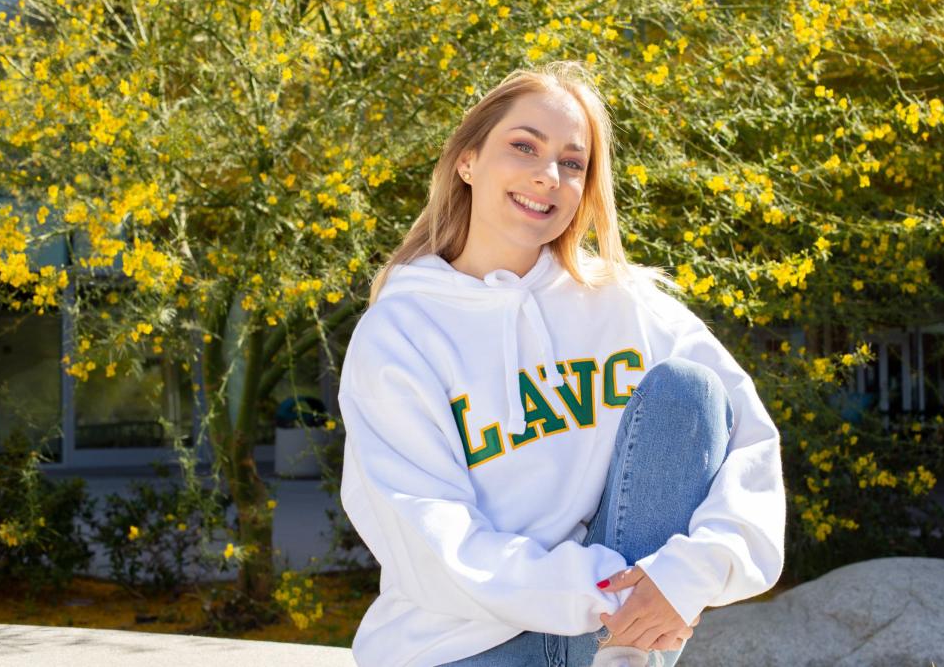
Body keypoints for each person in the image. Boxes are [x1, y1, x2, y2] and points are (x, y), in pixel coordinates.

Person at [337, 61, 786, 667]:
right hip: (462, 646)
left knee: (690, 392)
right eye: (524, 147)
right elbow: (427, 537)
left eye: (572, 163)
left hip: (607, 639)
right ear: (467, 161)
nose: (547, 176)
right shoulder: (402, 330)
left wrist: (689, 576)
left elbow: (751, 441)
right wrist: (600, 591)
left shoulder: (626, 303)